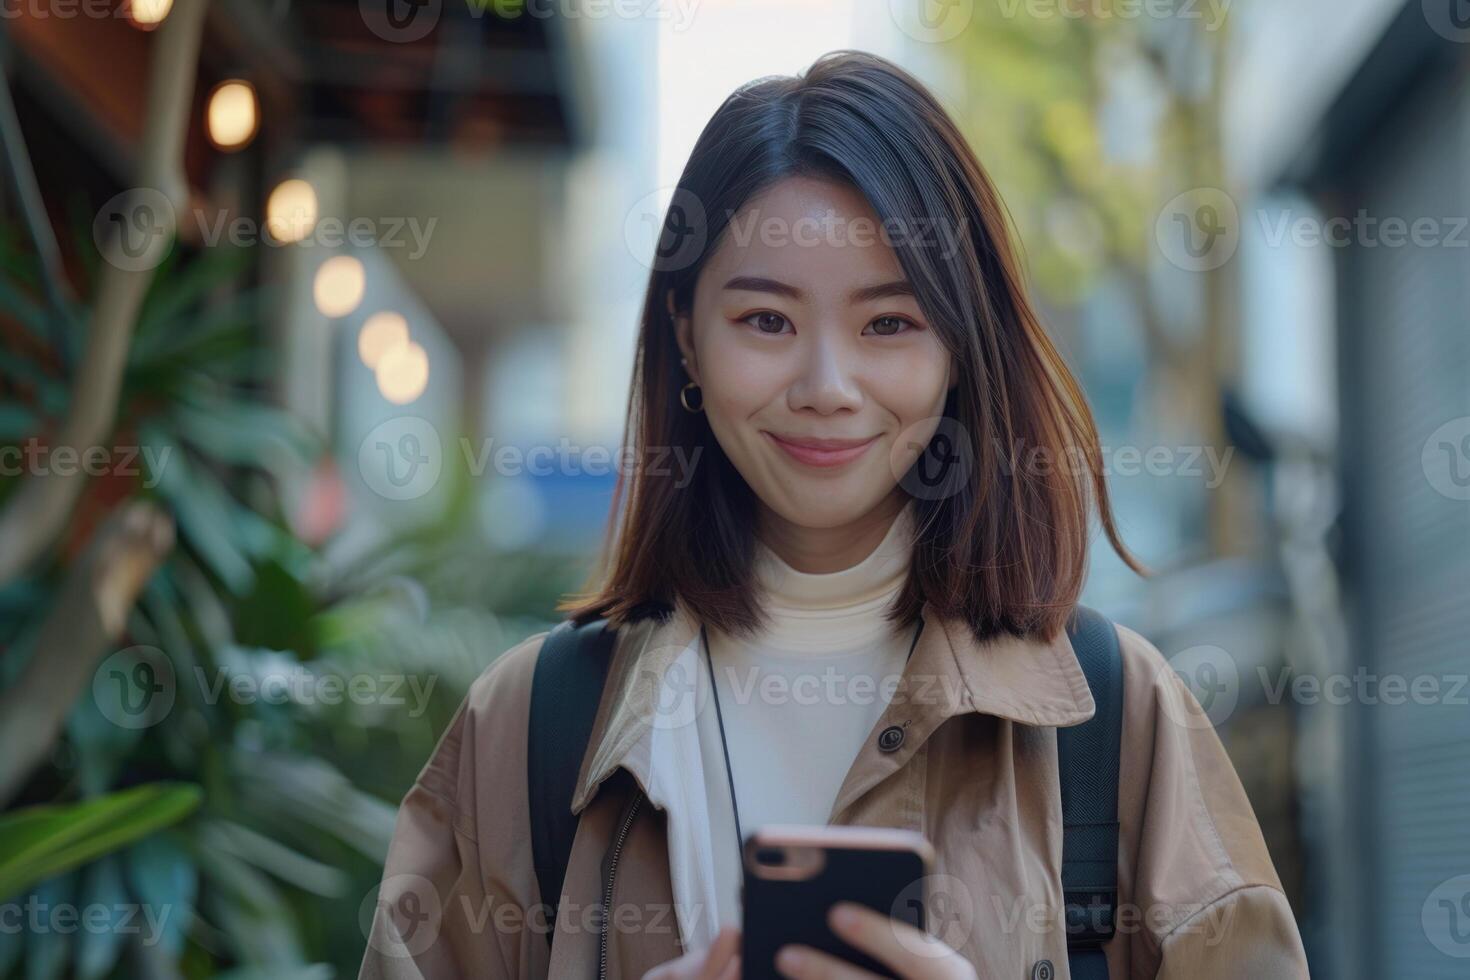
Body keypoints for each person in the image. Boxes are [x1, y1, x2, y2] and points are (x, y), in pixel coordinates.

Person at [359, 50, 1309, 980]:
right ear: (686, 338)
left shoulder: (1115, 719)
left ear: (959, 350)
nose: (826, 387)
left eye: (888, 324)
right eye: (766, 321)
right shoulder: (528, 727)